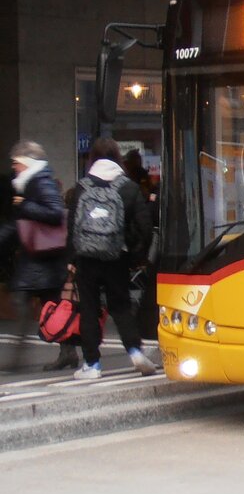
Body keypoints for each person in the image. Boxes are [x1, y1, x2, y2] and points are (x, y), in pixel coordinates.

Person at [67, 136, 155, 380]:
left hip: (86, 257)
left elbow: (72, 225)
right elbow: (144, 226)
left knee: (89, 308)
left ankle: (92, 365)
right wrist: (138, 256)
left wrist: (72, 258)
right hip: (117, 256)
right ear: (118, 158)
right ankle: (136, 351)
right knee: (121, 305)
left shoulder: (82, 186)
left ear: (92, 158)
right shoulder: (128, 187)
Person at [0, 140, 77, 372]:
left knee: (28, 302)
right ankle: (68, 352)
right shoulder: (31, 182)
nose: (14, 167)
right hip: (40, 257)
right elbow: (21, 224)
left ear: (26, 163)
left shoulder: (39, 182)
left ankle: (19, 358)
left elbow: (54, 212)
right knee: (50, 306)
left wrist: (25, 205)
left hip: (41, 257)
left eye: (16, 163)